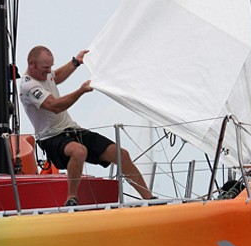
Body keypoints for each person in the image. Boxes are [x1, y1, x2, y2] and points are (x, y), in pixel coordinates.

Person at [19, 45, 153, 206]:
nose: (49, 71)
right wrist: (80, 91)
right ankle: (71, 198)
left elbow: (57, 76)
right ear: (31, 64)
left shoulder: (45, 74)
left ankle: (149, 198)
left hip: (72, 130)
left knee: (121, 154)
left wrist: (76, 62)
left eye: (50, 67)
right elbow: (55, 106)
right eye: (45, 68)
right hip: (51, 137)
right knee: (79, 151)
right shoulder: (29, 86)